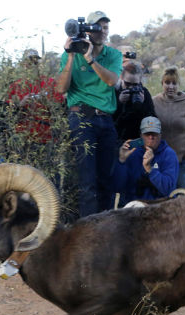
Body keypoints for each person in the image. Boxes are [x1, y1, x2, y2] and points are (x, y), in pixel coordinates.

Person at [56, 11, 123, 219]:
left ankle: (106, 229)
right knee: (87, 181)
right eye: (97, 27)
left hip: (106, 119)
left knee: (107, 179)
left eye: (105, 27)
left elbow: (111, 81)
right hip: (82, 119)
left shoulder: (113, 55)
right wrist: (70, 56)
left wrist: (91, 59)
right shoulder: (71, 54)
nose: (102, 31)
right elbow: (60, 88)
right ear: (88, 31)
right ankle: (88, 231)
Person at [153, 67, 185, 193]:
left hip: (182, 162)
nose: (171, 87)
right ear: (162, 83)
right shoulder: (154, 102)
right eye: (167, 83)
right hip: (160, 162)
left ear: (179, 85)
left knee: (183, 201)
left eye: (174, 83)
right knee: (161, 201)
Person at [113, 116, 178, 202]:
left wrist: (150, 169)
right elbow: (117, 187)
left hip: (159, 205)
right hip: (134, 205)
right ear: (141, 135)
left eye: (154, 134)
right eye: (147, 134)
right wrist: (122, 161)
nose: (151, 137)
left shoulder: (169, 154)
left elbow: (168, 190)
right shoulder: (132, 152)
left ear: (160, 135)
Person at [7, 49, 65, 144]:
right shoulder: (15, 86)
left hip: (47, 137)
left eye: (35, 61)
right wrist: (21, 104)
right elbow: (6, 112)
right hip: (23, 138)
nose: (32, 64)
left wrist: (47, 102)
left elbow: (60, 107)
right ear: (23, 64)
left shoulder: (50, 83)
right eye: (29, 61)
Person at [113, 60, 155, 142]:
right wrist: (119, 103)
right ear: (121, 78)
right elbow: (107, 120)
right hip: (116, 139)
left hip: (137, 140)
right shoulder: (114, 92)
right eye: (127, 84)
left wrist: (141, 105)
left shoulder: (143, 93)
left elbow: (151, 121)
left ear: (140, 81)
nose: (131, 88)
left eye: (135, 85)